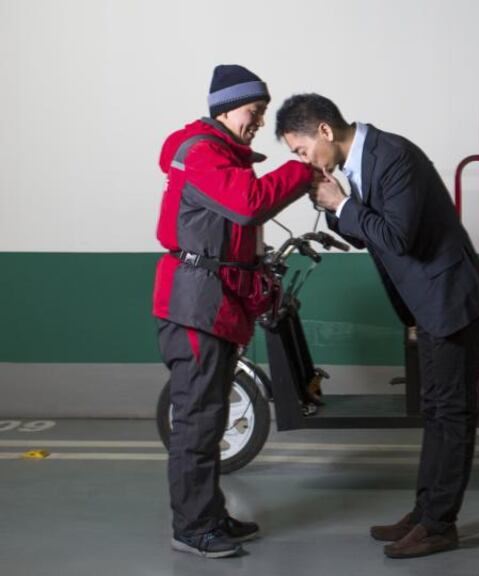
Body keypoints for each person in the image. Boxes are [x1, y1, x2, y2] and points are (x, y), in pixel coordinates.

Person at [276, 93, 479, 559]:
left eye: (301, 150)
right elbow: (371, 233)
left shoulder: (392, 156)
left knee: (451, 413)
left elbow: (397, 238)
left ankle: (439, 525)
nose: (303, 160)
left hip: (449, 298)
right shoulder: (362, 161)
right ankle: (425, 513)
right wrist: (335, 207)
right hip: (428, 302)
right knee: (435, 411)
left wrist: (342, 203)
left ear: (324, 130)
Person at [153, 65, 314, 558]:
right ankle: (192, 529)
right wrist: (305, 170)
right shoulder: (201, 153)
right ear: (225, 109)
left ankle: (208, 513)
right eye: (254, 110)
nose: (260, 121)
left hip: (213, 303)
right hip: (194, 306)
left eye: (262, 111)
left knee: (212, 416)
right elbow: (247, 204)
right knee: (198, 420)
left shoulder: (222, 155)